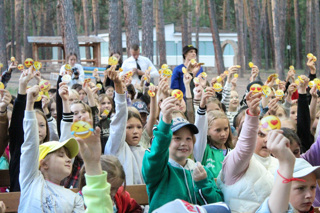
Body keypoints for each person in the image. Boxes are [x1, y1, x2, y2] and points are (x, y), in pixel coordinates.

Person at [142, 96, 223, 212]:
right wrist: (165, 123)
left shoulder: (201, 170)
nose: (184, 143)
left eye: (188, 139)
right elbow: (156, 154)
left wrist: (203, 183)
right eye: (177, 138)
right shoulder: (159, 169)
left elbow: (216, 205)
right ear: (166, 141)